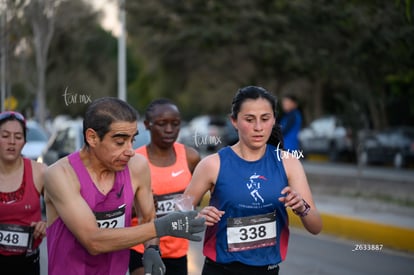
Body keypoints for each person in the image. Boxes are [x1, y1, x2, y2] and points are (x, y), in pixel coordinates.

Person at [44, 97, 205, 275]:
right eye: (120, 142)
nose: (129, 150)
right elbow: (93, 241)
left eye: (132, 140)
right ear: (92, 137)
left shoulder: (137, 166)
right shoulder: (60, 174)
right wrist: (162, 227)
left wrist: (152, 249)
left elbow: (147, 217)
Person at [184, 86, 322, 275]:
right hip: (221, 270)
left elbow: (316, 227)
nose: (258, 127)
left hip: (268, 270)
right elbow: (179, 213)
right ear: (234, 121)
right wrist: (197, 217)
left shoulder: (288, 163)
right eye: (249, 120)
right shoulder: (212, 164)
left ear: (273, 120)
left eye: (265, 119)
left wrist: (302, 208)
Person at [129, 99, 201, 275]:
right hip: (142, 245)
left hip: (177, 248)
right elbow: (120, 208)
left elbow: (198, 199)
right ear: (147, 125)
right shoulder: (134, 161)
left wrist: (189, 208)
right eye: (162, 124)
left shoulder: (191, 157)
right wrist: (140, 207)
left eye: (175, 124)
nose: (169, 130)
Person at [0, 111, 47, 275]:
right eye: (5, 136)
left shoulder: (39, 171)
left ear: (25, 141)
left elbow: (62, 209)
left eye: (18, 137)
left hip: (27, 263)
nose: (11, 142)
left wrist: (46, 224)